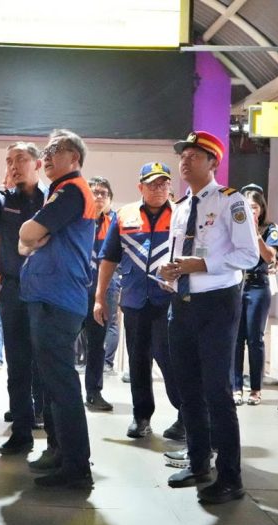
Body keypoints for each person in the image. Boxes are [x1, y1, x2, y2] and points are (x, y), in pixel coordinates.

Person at [159, 131, 257, 504]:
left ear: (213, 162)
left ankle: (230, 477)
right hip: (182, 302)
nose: (185, 161)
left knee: (217, 390)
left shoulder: (231, 201)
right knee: (188, 388)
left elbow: (249, 255)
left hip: (217, 303)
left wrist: (200, 265)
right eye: (183, 156)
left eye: (194, 156)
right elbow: (179, 252)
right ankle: (199, 462)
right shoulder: (182, 205)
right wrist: (169, 271)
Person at [19, 129, 95, 490]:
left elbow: (28, 233)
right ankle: (61, 451)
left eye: (55, 151)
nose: (47, 156)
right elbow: (25, 243)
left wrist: (29, 235)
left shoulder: (71, 191)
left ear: (74, 158)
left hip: (58, 298)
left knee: (62, 385)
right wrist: (29, 238)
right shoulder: (59, 191)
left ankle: (76, 466)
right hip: (49, 296)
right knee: (52, 382)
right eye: (45, 151)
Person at [93, 162, 184, 440]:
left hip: (168, 302)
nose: (159, 189)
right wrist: (100, 297)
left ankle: (186, 416)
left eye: (164, 183)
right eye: (152, 184)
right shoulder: (125, 215)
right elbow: (109, 258)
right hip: (134, 301)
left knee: (172, 361)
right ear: (140, 187)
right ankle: (141, 417)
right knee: (138, 362)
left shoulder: (181, 214)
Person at [0, 140, 48, 455]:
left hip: (46, 291)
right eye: (9, 161)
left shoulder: (52, 198)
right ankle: (22, 430)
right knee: (17, 362)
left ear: (37, 164)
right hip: (13, 289)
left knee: (45, 360)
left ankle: (46, 419)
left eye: (21, 159)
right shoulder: (3, 197)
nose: (14, 166)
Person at [232, 189, 278, 406]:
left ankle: (255, 388)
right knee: (236, 338)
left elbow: (270, 257)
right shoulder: (235, 226)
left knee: (255, 339)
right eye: (247, 206)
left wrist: (255, 233)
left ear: (261, 209)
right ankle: (235, 387)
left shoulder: (270, 229)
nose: (251, 210)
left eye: (255, 207)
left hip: (258, 285)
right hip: (236, 284)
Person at [80, 176, 115, 411]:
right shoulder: (76, 220)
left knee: (96, 345)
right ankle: (58, 394)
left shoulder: (114, 224)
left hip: (102, 293)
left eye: (104, 193)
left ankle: (93, 393)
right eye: (95, 192)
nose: (99, 196)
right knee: (63, 345)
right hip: (74, 291)